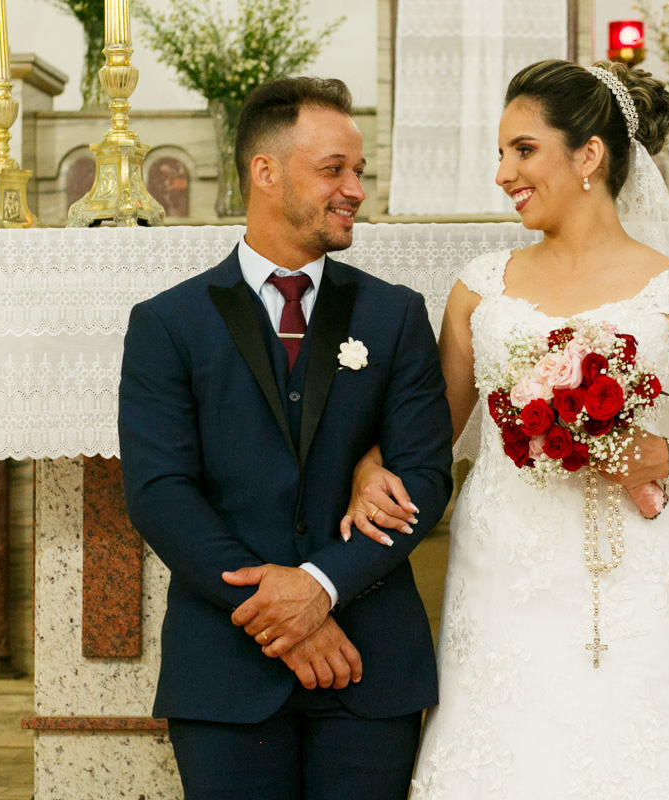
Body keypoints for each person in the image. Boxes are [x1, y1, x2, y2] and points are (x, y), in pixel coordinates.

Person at [341, 60, 669, 796]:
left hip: (630, 563)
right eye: (500, 154)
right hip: (505, 559)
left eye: (523, 149)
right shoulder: (482, 286)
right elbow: (432, 427)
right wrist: (369, 465)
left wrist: (657, 453)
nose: (504, 172)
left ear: (590, 156)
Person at [118, 77, 453, 800]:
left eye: (359, 171)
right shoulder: (168, 324)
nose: (356, 189)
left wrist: (322, 584)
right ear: (264, 172)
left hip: (370, 664)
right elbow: (159, 492)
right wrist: (287, 615)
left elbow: (425, 477)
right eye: (335, 169)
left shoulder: (394, 316)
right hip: (225, 665)